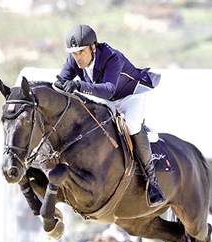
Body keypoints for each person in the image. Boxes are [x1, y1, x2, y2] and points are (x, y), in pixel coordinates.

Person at [55, 24, 165, 206]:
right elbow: (59, 82)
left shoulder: (112, 57)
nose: (77, 57)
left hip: (130, 95)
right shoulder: (74, 59)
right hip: (105, 99)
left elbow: (109, 89)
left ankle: (152, 183)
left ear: (93, 47)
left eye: (81, 52)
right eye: (74, 53)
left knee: (131, 125)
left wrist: (80, 86)